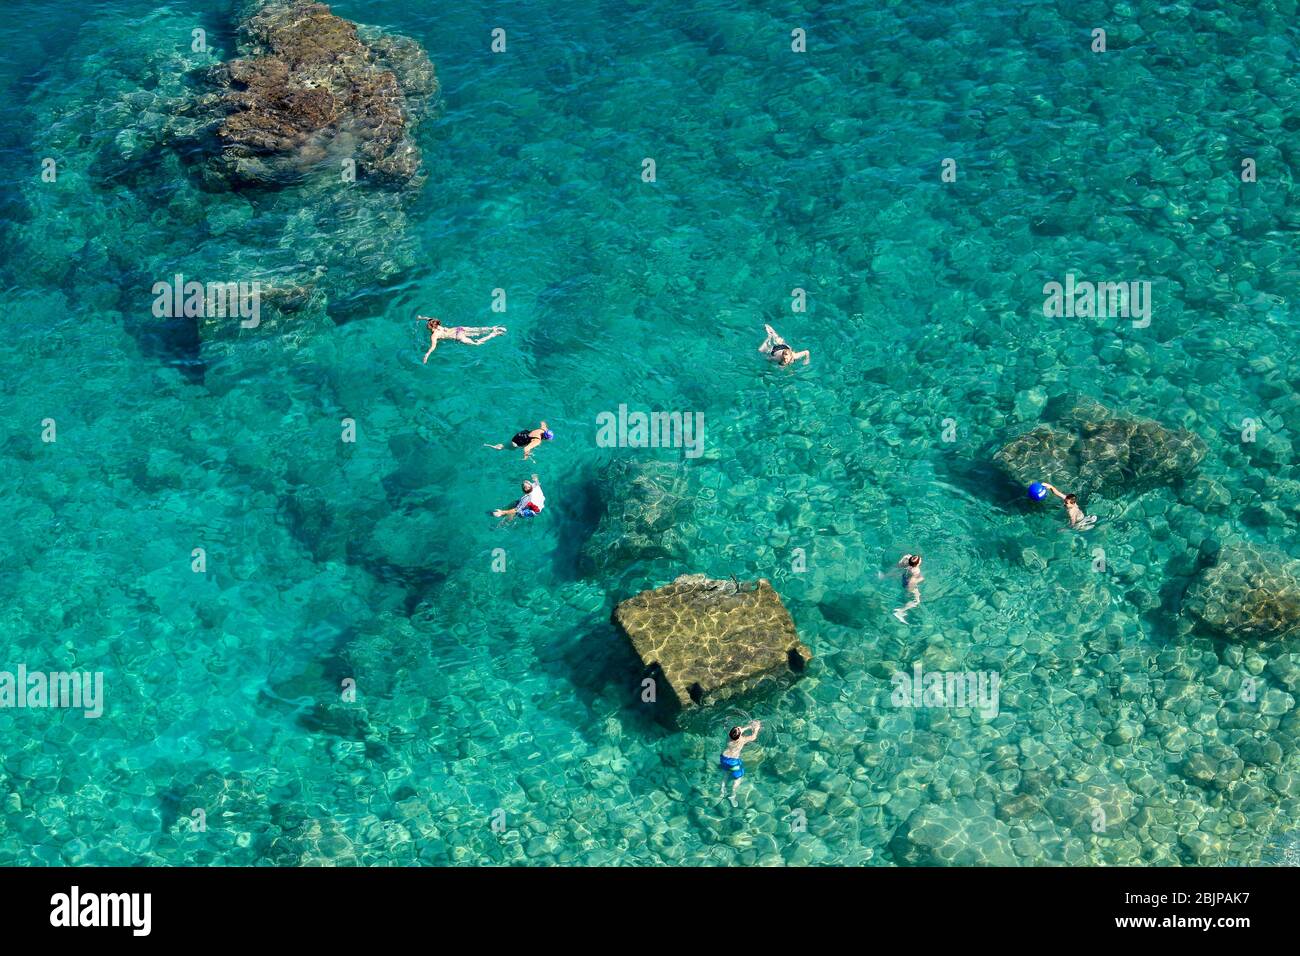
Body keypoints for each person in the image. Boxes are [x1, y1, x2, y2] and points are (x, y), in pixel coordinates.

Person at [420, 317, 507, 363]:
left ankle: (494, 334)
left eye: (428, 326)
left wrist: (427, 355)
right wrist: (421, 318)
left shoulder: (434, 335)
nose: (427, 326)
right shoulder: (436, 324)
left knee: (477, 343)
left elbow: (433, 346)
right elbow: (429, 318)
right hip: (459, 329)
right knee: (478, 330)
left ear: (431, 327)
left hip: (458, 336)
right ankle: (493, 328)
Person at [718, 720, 761, 806]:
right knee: (738, 778)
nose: (740, 728)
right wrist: (756, 728)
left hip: (724, 758)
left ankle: (722, 791)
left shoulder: (729, 737)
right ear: (739, 736)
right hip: (733, 762)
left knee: (726, 773)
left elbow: (738, 732)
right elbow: (753, 737)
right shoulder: (742, 740)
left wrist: (749, 726)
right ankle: (732, 795)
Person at [486, 422, 553, 460]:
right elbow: (526, 448)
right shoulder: (537, 441)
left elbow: (543, 422)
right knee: (509, 447)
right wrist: (526, 456)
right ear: (545, 438)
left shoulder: (543, 429)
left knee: (510, 444)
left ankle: (497, 445)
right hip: (518, 441)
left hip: (521, 433)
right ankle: (494, 446)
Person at [891, 553, 923, 623]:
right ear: (917, 564)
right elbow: (912, 581)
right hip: (909, 583)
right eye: (920, 560)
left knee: (905, 596)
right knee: (916, 601)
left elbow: (899, 565)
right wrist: (920, 579)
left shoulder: (907, 560)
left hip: (904, 578)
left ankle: (900, 608)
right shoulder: (916, 570)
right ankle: (900, 611)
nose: (921, 559)